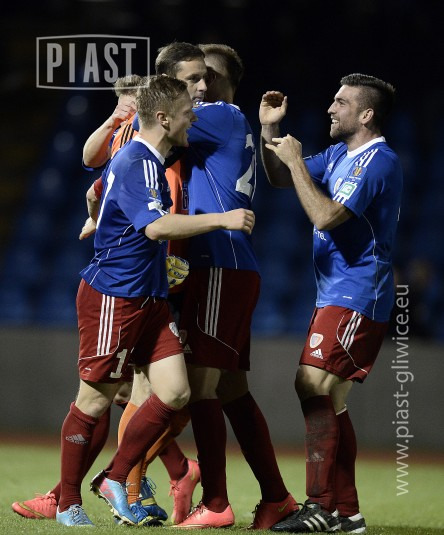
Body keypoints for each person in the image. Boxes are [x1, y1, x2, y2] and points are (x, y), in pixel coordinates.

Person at [43, 75, 256, 528]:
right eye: (186, 113)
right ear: (163, 117)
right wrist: (224, 219)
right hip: (115, 296)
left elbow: (93, 191)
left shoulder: (148, 160)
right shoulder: (139, 160)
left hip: (149, 296)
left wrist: (97, 218)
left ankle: (115, 477)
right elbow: (156, 227)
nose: (193, 119)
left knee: (175, 392)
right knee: (94, 401)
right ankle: (67, 502)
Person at [259, 74, 402, 533]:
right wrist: (269, 131)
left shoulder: (378, 161)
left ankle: (320, 506)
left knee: (310, 382)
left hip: (358, 293)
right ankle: (347, 513)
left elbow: (325, 216)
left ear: (366, 114)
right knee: (332, 400)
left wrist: (297, 162)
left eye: (341, 102)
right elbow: (279, 175)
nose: (330, 109)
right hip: (336, 292)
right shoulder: (340, 154)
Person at [170, 44, 298, 530]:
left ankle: (216, 501)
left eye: (207, 75)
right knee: (230, 390)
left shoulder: (218, 115)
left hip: (219, 261)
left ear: (227, 84)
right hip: (228, 263)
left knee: (199, 386)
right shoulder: (225, 121)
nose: (199, 84)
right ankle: (276, 498)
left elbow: (156, 122)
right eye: (193, 76)